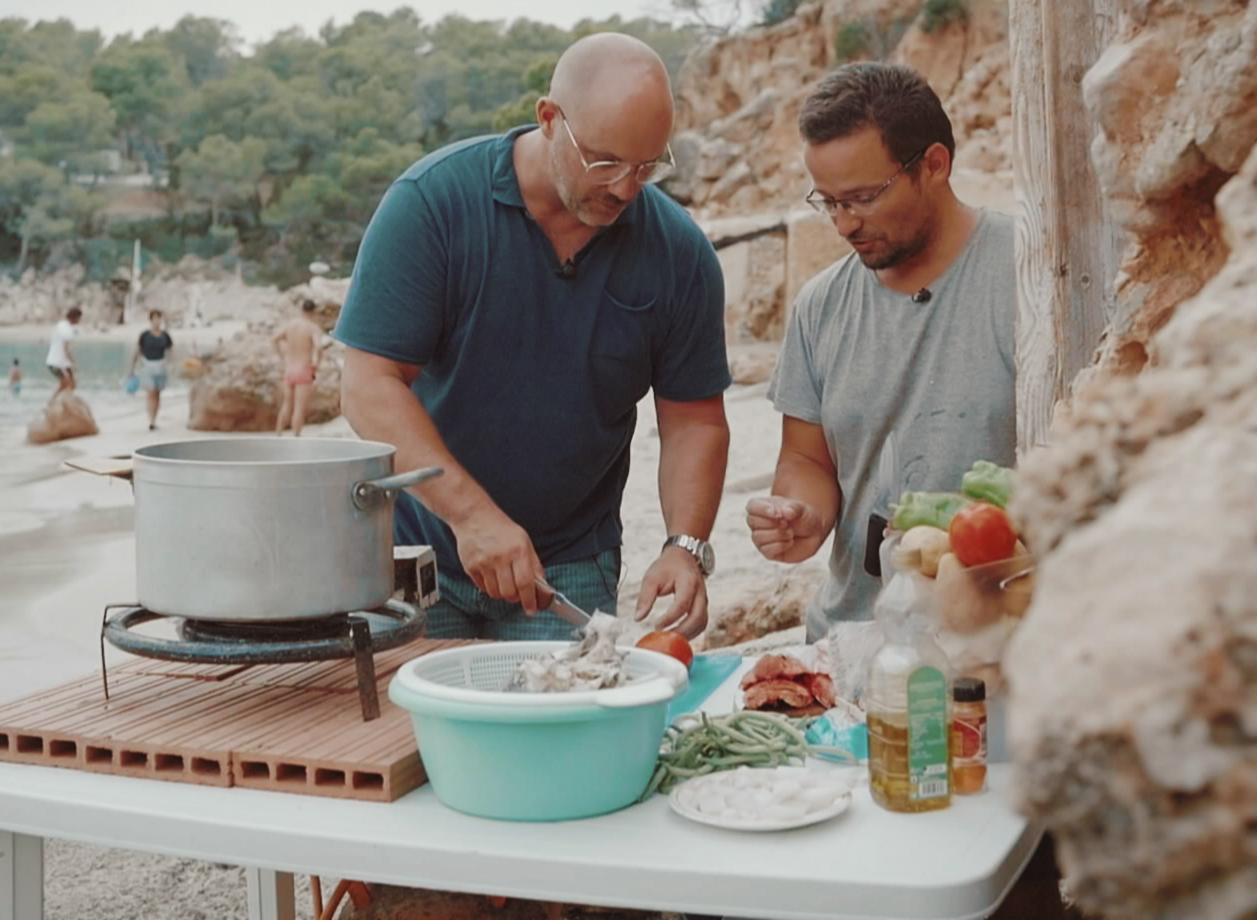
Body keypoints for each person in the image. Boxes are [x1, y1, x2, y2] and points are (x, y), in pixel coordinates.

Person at [335, 32, 731, 642]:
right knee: (413, 737)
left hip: (570, 563)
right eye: (605, 162)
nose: (625, 189)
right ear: (549, 119)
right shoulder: (432, 205)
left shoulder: (679, 253)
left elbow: (694, 421)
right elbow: (368, 385)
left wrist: (685, 546)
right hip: (419, 549)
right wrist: (471, 516)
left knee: (568, 731)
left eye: (647, 166)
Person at [745, 62, 1016, 642]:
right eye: (829, 202)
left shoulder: (1030, 276)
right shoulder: (819, 305)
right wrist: (802, 516)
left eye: (863, 198)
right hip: (853, 639)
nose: (843, 224)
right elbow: (807, 461)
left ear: (935, 166)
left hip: (999, 645)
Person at [271, 301, 325, 437]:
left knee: (287, 405)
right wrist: (316, 362)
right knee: (299, 408)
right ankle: (296, 437)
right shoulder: (313, 328)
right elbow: (318, 347)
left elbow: (274, 339)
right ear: (313, 312)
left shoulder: (291, 325)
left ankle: (278, 435)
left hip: (289, 370)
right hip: (304, 370)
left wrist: (281, 357)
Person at [128, 310, 173, 430]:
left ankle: (154, 417)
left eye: (158, 319)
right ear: (151, 320)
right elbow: (137, 351)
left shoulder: (165, 336)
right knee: (151, 392)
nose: (156, 321)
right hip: (147, 366)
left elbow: (169, 352)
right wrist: (131, 368)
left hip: (161, 367)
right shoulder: (144, 336)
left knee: (157, 393)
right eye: (154, 319)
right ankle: (151, 421)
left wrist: (171, 366)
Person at [46, 307, 81, 392]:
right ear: (75, 317)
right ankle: (53, 403)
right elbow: (66, 348)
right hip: (57, 363)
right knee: (66, 384)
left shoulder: (65, 326)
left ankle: (64, 401)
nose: (79, 321)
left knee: (72, 385)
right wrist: (73, 362)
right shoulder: (65, 328)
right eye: (79, 318)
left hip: (63, 363)